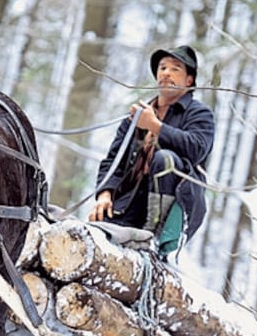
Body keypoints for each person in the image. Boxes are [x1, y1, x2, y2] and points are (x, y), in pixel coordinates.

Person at [88, 45, 215, 258]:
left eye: (175, 69)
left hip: (175, 207)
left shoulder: (200, 113)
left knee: (166, 159)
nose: (166, 72)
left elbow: (197, 148)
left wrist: (156, 126)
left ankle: (154, 237)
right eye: (162, 68)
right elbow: (113, 159)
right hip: (131, 201)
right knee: (92, 239)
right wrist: (104, 193)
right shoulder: (138, 114)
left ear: (189, 80)